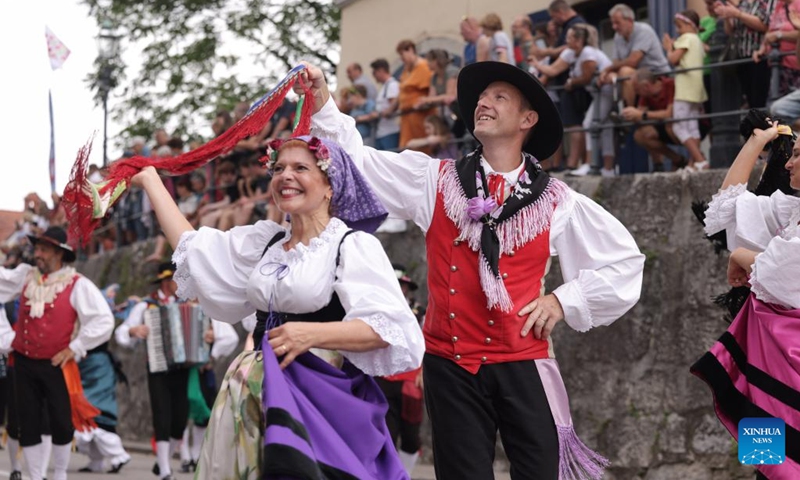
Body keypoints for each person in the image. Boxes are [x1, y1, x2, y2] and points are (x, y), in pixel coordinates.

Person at [299, 60, 645, 480]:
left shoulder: (556, 199)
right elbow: (359, 163)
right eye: (482, 97)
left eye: (499, 97)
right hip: (450, 363)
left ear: (527, 119)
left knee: (540, 472)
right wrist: (321, 102)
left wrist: (562, 299)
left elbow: (624, 262)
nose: (483, 101)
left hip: (524, 359)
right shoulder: (436, 179)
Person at [128, 135, 425, 479]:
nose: (285, 175)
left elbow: (390, 328)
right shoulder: (264, 242)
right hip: (252, 388)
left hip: (316, 394)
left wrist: (311, 334)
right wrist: (151, 180)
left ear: (330, 185)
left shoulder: (351, 245)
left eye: (301, 167)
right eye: (279, 168)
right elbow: (192, 247)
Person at [691, 120, 800, 479]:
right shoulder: (792, 210)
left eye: (796, 156)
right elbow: (728, 207)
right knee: (764, 463)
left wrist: (739, 256)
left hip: (786, 353)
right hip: (767, 350)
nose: (787, 165)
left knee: (789, 466)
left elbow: (780, 270)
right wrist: (759, 140)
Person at [0, 226, 115, 480]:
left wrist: (74, 347)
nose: (37, 254)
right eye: (37, 248)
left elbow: (103, 320)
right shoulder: (25, 276)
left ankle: (60, 474)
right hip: (23, 362)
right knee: (28, 422)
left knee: (62, 423)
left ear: (58, 254)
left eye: (43, 250)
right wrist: (7, 338)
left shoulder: (76, 284)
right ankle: (37, 475)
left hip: (56, 363)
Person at [114, 262, 196, 480]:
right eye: (177, 279)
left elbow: (202, 330)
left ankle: (163, 462)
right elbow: (122, 331)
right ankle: (165, 470)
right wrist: (133, 330)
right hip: (157, 367)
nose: (180, 284)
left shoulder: (187, 304)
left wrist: (207, 338)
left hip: (183, 366)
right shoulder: (146, 306)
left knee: (180, 418)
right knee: (162, 415)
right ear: (166, 281)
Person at [531, 24, 616, 177]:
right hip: (598, 93)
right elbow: (553, 70)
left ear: (578, 40)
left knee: (589, 124)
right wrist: (537, 64)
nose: (566, 40)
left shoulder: (588, 52)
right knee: (606, 127)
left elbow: (587, 77)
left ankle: (590, 164)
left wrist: (571, 82)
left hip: (607, 91)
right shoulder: (571, 52)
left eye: (569, 37)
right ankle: (608, 169)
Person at [375, 264, 425, 476]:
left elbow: (428, 340)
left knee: (411, 437)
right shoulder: (375, 308)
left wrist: (425, 370)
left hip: (411, 379)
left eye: (403, 285)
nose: (399, 288)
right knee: (387, 432)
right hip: (383, 377)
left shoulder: (418, 310)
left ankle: (405, 472)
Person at [178, 315, 239, 473]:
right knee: (181, 412)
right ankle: (184, 455)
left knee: (203, 413)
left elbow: (230, 338)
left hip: (202, 371)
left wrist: (213, 352)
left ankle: (196, 454)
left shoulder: (210, 314)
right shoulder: (175, 308)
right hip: (179, 369)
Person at [662, 10, 709, 171]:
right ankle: (694, 163)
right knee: (692, 126)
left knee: (679, 126)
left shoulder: (686, 38)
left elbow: (673, 59)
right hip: (696, 90)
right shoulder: (697, 40)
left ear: (689, 25)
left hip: (685, 90)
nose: (677, 30)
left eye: (680, 26)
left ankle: (700, 159)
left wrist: (668, 48)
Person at [599, 3, 671, 107]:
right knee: (615, 76)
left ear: (629, 21)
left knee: (625, 72)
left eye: (617, 23)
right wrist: (611, 73)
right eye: (612, 23)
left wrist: (607, 69)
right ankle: (618, 113)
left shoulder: (644, 30)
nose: (614, 27)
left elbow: (633, 61)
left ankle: (629, 111)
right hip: (638, 76)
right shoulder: (617, 37)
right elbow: (616, 63)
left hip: (657, 74)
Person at [396, 39, 435, 150]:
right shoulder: (406, 70)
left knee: (420, 150)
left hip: (420, 117)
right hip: (407, 119)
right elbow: (402, 91)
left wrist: (423, 103)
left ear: (411, 50)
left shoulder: (423, 66)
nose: (401, 59)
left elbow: (431, 92)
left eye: (402, 54)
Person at [369, 58, 401, 151]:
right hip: (382, 131)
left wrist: (378, 114)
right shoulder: (385, 86)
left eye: (374, 73)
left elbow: (394, 106)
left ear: (381, 71)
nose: (374, 76)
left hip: (390, 131)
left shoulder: (392, 85)